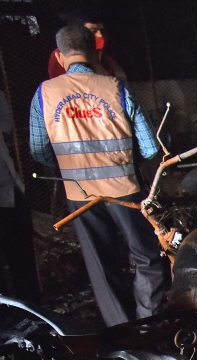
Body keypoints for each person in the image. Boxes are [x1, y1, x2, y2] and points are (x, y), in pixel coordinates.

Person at [30, 25, 168, 327]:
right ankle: (149, 325)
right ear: (96, 51)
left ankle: (122, 335)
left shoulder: (44, 94)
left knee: (102, 267)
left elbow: (38, 150)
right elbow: (148, 147)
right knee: (147, 258)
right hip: (125, 191)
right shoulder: (116, 88)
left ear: (59, 54)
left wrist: (70, 167)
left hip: (78, 195)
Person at [0, 90, 41, 303]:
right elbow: (6, 126)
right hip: (7, 191)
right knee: (22, 265)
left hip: (8, 192)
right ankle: (32, 316)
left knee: (22, 265)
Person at [47, 7, 126, 81]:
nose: (100, 36)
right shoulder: (63, 54)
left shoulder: (105, 54)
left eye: (102, 31)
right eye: (93, 31)